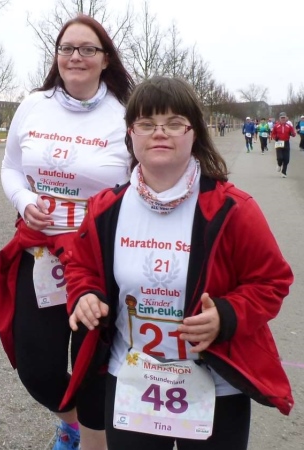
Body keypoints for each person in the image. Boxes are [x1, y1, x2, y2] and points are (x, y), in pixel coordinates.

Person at [61, 76, 294, 450]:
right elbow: (80, 266)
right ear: (130, 133)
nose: (159, 133)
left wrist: (227, 315)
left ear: (194, 132)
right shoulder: (105, 208)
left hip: (215, 386)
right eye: (146, 123)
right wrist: (86, 294)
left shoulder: (233, 209)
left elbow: (272, 281)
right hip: (132, 380)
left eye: (174, 123)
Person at [0, 13, 134, 450]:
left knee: (93, 366)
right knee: (36, 369)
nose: (76, 56)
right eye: (67, 48)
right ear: (56, 56)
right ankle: (71, 424)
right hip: (39, 253)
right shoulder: (34, 105)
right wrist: (24, 200)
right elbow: (11, 168)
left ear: (105, 58)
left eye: (88, 49)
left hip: (98, 261)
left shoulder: (124, 114)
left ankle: (92, 439)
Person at [271, 111, 296, 178]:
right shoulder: (276, 126)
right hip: (279, 142)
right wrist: (275, 137)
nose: (283, 119)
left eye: (284, 118)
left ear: (286, 118)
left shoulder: (289, 126)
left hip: (286, 142)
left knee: (286, 159)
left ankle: (284, 172)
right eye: (282, 118)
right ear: (279, 118)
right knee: (280, 157)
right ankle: (279, 164)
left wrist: (292, 134)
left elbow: (294, 134)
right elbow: (273, 134)